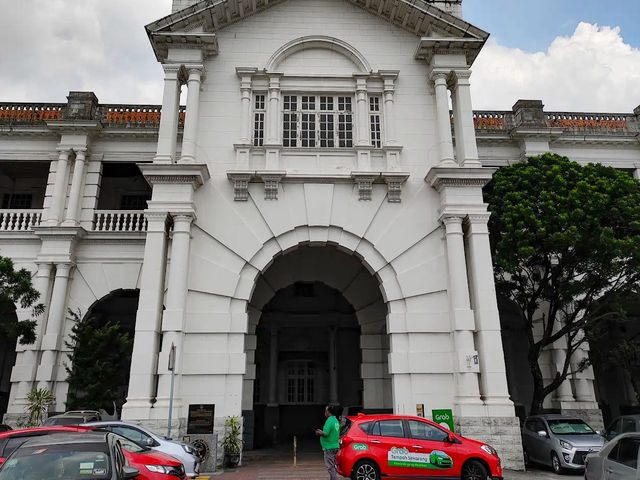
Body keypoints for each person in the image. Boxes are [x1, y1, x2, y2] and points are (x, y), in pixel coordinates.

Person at [315, 404, 341, 480]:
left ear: (328, 412)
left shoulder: (329, 420)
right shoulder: (336, 420)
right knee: (333, 466)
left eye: (325, 411)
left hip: (329, 447)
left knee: (330, 467)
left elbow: (325, 434)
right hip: (335, 446)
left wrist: (319, 432)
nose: (325, 413)